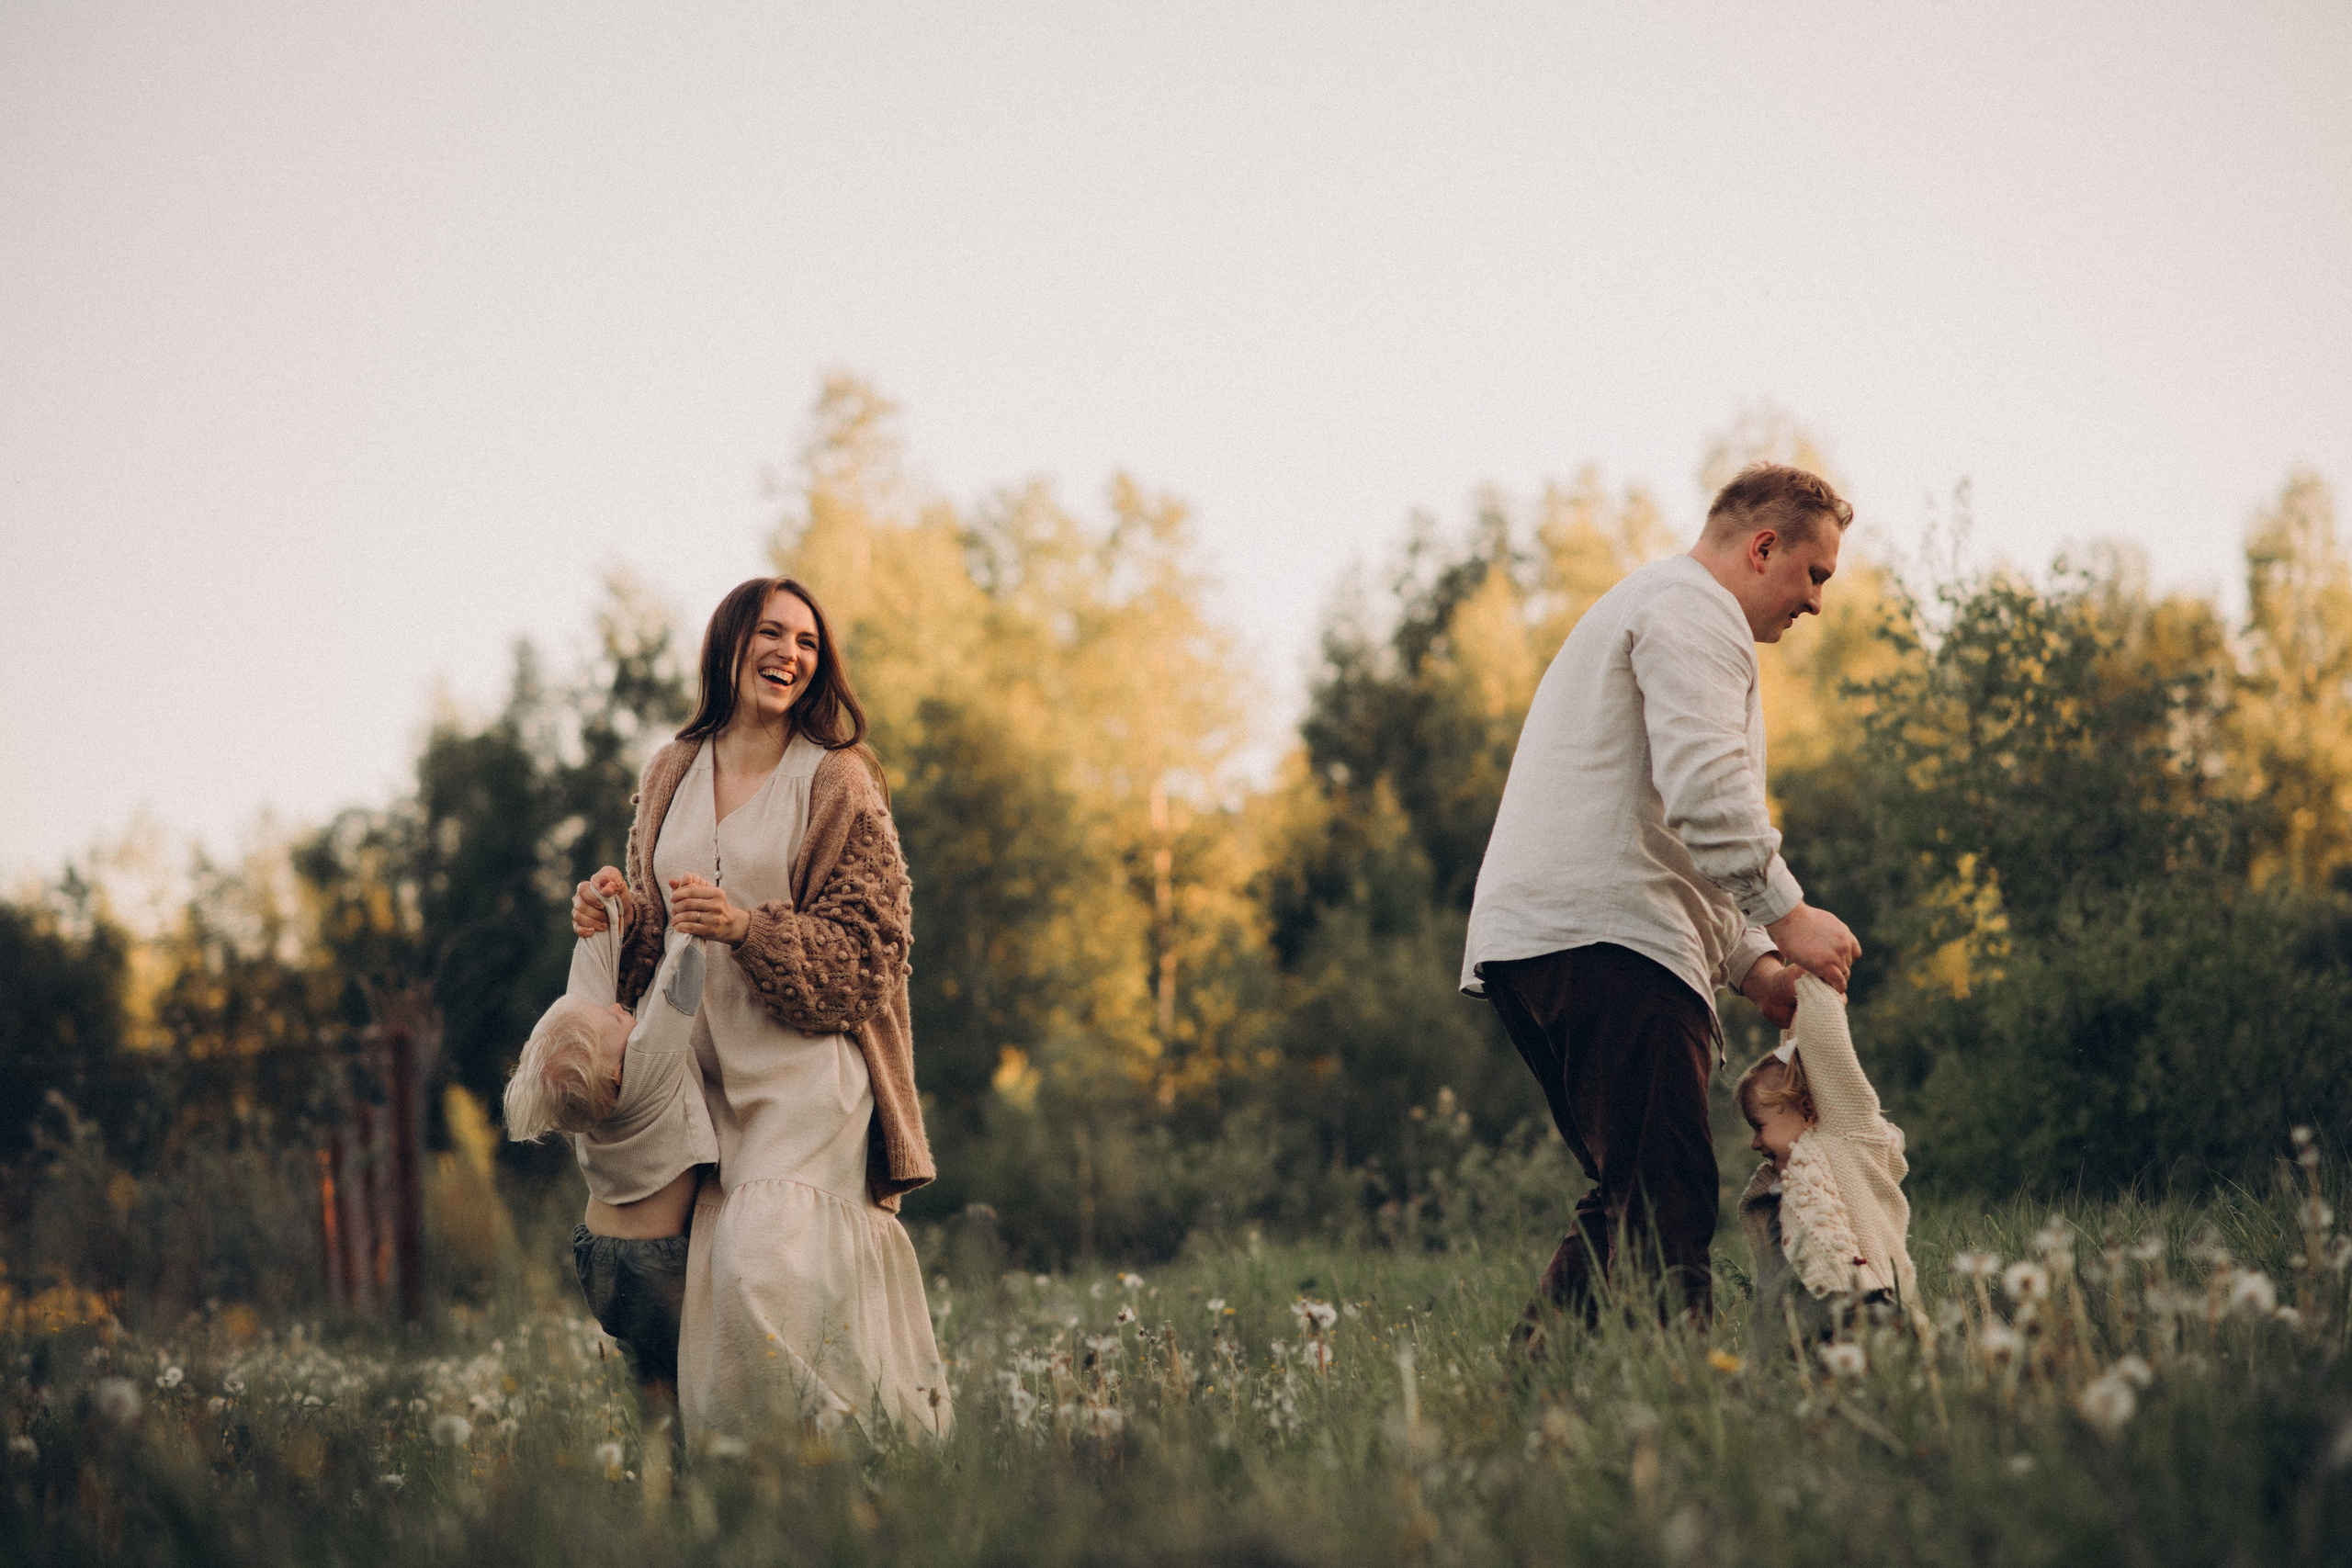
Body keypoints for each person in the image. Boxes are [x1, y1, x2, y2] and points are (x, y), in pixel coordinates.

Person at [1460, 462, 1863, 1346]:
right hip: (1610, 940)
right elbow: (1706, 791)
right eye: (1815, 574)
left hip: (1568, 936)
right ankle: (1679, 1414)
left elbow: (1667, 826)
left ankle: (1526, 1407)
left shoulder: (1665, 607)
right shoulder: (1694, 612)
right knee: (1665, 1200)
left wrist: (1754, 964)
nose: (1817, 604)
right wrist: (1790, 914)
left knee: (1632, 1195)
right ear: (1764, 547)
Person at [570, 575, 950, 1441]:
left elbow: (870, 957)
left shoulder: (840, 781)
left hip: (804, 1078)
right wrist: (613, 911)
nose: (789, 653)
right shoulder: (669, 770)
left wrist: (746, 926)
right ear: (730, 643)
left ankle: (857, 1460)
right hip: (691, 1078)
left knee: (757, 1264)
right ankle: (728, 1482)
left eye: (807, 642)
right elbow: (651, 951)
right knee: (633, 1278)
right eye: (772, 633)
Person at [503, 893, 718, 1401]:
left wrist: (605, 909)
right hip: (655, 1265)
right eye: (622, 1021)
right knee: (687, 1380)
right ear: (622, 1068)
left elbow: (590, 987)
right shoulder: (647, 1066)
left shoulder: (586, 1099)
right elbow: (679, 987)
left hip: (597, 1259)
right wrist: (691, 923)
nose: (624, 1009)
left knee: (650, 1377)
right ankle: (684, 1470)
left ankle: (655, 1469)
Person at [1733, 971, 1923, 1347]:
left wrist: (1811, 980)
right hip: (1805, 1324)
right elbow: (1801, 1053)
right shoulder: (1792, 1173)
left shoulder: (1845, 1137)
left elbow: (1827, 1053)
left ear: (1807, 1110)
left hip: (1864, 1305)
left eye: (1759, 1126)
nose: (1755, 1143)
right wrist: (1792, 1013)